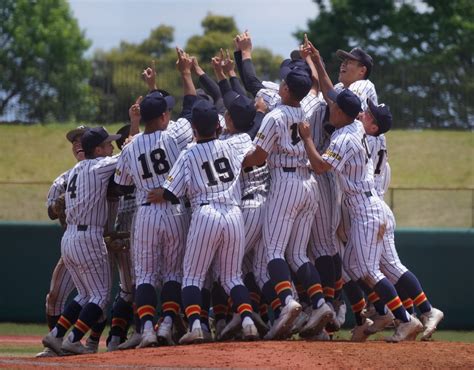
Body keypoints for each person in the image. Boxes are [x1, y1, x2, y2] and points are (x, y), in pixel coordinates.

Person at [298, 85, 424, 342]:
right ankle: (388, 313)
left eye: (334, 106)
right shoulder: (355, 125)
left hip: (366, 210)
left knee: (368, 269)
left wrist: (307, 138)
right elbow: (336, 97)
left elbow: (321, 166)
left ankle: (404, 319)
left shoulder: (346, 136)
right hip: (371, 206)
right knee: (355, 267)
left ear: (342, 111)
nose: (330, 108)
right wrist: (318, 64)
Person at [147, 99, 260, 344]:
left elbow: (170, 191)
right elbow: (251, 142)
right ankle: (249, 321)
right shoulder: (234, 144)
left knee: (192, 277)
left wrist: (157, 193)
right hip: (233, 214)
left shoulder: (189, 152)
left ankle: (197, 326)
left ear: (194, 128)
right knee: (232, 277)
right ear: (217, 127)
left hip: (205, 213)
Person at [243, 57, 333, 340]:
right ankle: (318, 304)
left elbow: (259, 156)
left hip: (285, 182)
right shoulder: (304, 111)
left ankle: (287, 303)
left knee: (273, 252)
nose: (280, 84)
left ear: (285, 89)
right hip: (309, 184)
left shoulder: (275, 116)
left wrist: (239, 161)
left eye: (283, 82)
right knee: (297, 254)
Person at [114, 48, 196, 348]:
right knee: (174, 272)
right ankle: (169, 324)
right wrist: (186, 73)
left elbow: (121, 185)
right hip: (174, 210)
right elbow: (191, 108)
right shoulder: (173, 135)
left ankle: (147, 328)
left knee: (146, 274)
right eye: (166, 112)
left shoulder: (131, 146)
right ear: (162, 116)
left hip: (145, 213)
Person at [42, 126, 122, 354]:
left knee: (85, 294)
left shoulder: (76, 169)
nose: (111, 148)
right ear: (97, 149)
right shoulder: (98, 166)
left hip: (70, 238)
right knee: (100, 295)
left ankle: (56, 335)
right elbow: (127, 156)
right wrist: (134, 137)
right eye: (108, 144)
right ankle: (74, 339)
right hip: (88, 236)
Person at [36, 126, 87, 358]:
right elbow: (50, 212)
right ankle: (55, 344)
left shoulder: (106, 169)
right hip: (74, 242)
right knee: (54, 297)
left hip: (103, 241)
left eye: (82, 139)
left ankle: (96, 342)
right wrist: (57, 205)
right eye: (74, 140)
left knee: (99, 294)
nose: (77, 143)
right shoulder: (63, 180)